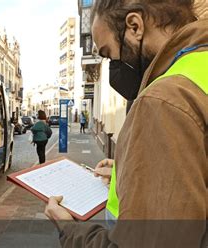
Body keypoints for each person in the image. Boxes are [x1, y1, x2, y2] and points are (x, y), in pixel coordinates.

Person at [45, 0, 207, 246]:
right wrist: (132, 170)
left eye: (109, 55)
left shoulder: (162, 100)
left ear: (134, 27)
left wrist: (70, 231)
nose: (113, 67)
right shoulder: (199, 68)